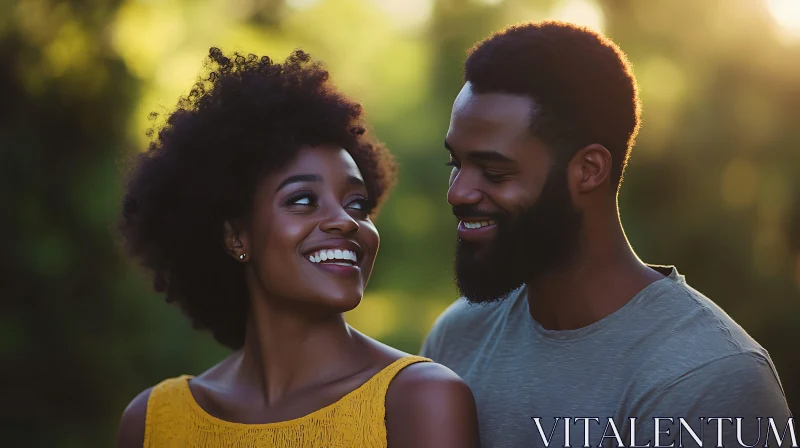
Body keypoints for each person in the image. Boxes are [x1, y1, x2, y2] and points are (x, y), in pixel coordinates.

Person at [421, 21, 792, 448]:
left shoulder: (710, 378)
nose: (457, 192)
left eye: (495, 172)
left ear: (589, 170)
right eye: (456, 164)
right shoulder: (457, 337)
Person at [115, 48, 479, 448]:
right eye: (303, 200)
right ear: (236, 236)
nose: (345, 220)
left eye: (357, 203)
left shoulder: (418, 401)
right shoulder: (152, 421)